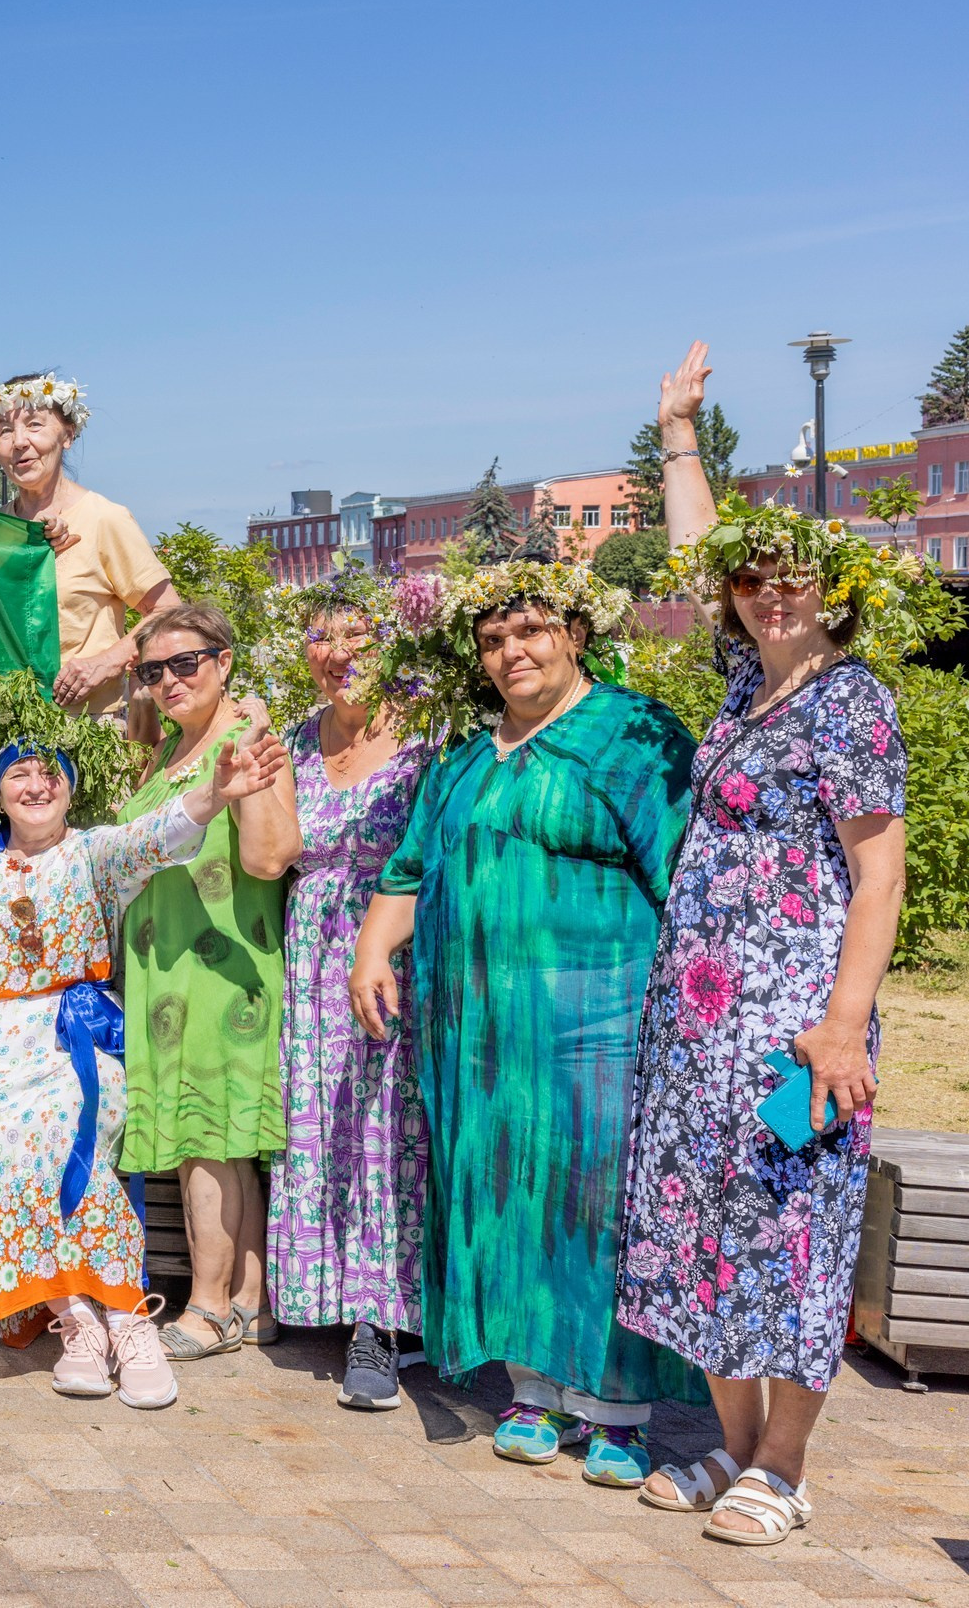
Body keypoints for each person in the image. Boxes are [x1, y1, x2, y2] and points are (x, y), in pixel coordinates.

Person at [617, 344, 917, 1544]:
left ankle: (781, 1467)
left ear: (828, 592)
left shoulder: (851, 701)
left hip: (794, 1017)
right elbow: (700, 556)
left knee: (788, 1234)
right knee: (701, 1224)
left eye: (789, 583)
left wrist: (842, 1021)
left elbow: (879, 872)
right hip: (697, 1015)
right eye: (753, 583)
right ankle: (731, 1450)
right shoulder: (747, 686)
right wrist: (680, 433)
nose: (765, 595)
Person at [352, 558, 704, 1489]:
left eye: (532, 631)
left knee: (592, 1201)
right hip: (479, 1037)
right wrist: (371, 953)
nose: (513, 651)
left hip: (598, 1025)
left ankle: (619, 1406)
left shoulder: (632, 734)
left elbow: (689, 882)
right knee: (502, 1193)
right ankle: (535, 1388)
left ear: (577, 634)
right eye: (494, 638)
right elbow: (406, 871)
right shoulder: (467, 757)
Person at [0, 670, 288, 1405]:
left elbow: (160, 834)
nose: (35, 784)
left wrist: (215, 794)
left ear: (70, 787)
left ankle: (119, 1317)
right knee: (5, 1130)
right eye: (17, 771)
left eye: (49, 771)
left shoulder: (93, 852)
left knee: (62, 1123)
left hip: (75, 1038)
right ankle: (87, 1317)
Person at [112, 603, 303, 1360]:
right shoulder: (169, 751)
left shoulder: (243, 741)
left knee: (208, 1141)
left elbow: (270, 856)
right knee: (221, 1142)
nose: (167, 682)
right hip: (170, 971)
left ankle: (208, 1306)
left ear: (224, 661)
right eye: (152, 670)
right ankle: (249, 1306)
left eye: (185, 664)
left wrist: (246, 762)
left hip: (221, 972)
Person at [263, 571, 434, 1411]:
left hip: (395, 949)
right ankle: (323, 1296)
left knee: (387, 1129)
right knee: (321, 1119)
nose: (340, 656)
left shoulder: (428, 741)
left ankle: (383, 1320)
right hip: (308, 952)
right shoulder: (294, 741)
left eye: (358, 638)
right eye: (323, 639)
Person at [0, 373, 181, 717]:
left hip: (91, 731)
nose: (18, 442)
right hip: (7, 736)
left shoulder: (104, 518)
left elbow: (169, 611)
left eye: (34, 425)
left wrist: (106, 663)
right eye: (4, 430)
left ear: (68, 435)